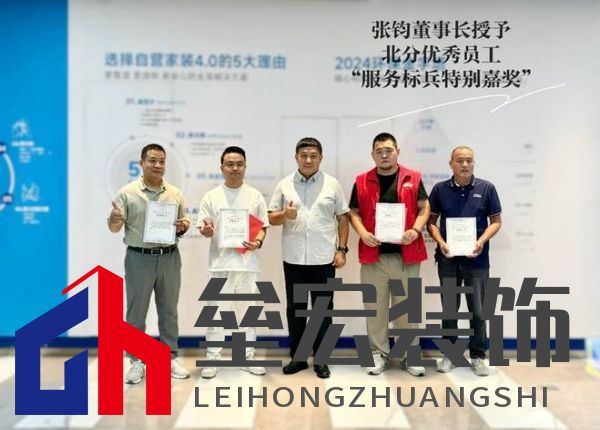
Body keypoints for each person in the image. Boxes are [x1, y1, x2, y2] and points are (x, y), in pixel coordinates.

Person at [108, 143, 190, 384]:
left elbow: (184, 221)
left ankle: (169, 357)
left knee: (169, 311)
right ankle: (136, 361)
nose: (158, 165)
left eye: (162, 161)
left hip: (169, 257)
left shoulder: (174, 193)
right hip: (139, 258)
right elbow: (114, 227)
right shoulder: (127, 193)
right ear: (141, 163)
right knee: (136, 311)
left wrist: (183, 226)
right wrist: (114, 218)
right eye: (152, 160)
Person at [348, 132, 430, 376]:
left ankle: (409, 355)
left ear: (397, 152)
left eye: (389, 150)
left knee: (408, 310)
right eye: (379, 151)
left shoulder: (413, 178)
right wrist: (363, 233)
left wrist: (416, 229)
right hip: (373, 256)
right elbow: (353, 212)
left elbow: (424, 208)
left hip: (407, 256)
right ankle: (377, 353)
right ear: (373, 154)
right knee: (375, 309)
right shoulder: (361, 180)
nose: (384, 155)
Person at [268, 137, 349, 379]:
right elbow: (271, 218)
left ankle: (322, 360)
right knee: (296, 309)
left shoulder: (332, 184)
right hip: (294, 259)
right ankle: (299, 358)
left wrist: (342, 250)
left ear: (321, 158)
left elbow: (343, 218)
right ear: (296, 157)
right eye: (303, 155)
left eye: (313, 155)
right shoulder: (284, 184)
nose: (308, 160)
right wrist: (285, 214)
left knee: (323, 310)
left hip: (324, 259)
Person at [427, 146, 502, 377]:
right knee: (449, 309)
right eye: (460, 160)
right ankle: (449, 355)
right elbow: (431, 222)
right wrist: (440, 242)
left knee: (478, 311)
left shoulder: (486, 188)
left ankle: (478, 356)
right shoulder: (440, 189)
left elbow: (496, 222)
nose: (465, 164)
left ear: (474, 163)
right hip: (448, 259)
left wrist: (481, 241)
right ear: (451, 163)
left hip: (477, 260)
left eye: (469, 160)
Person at [197, 146, 269, 379]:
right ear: (222, 168)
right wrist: (207, 231)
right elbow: (205, 229)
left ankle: (245, 356)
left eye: (239, 164)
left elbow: (262, 227)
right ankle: (213, 357)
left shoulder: (255, 195)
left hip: (247, 264)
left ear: (245, 167)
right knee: (216, 313)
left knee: (247, 314)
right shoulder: (211, 196)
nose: (234, 168)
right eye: (230, 164)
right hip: (220, 264)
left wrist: (258, 241)